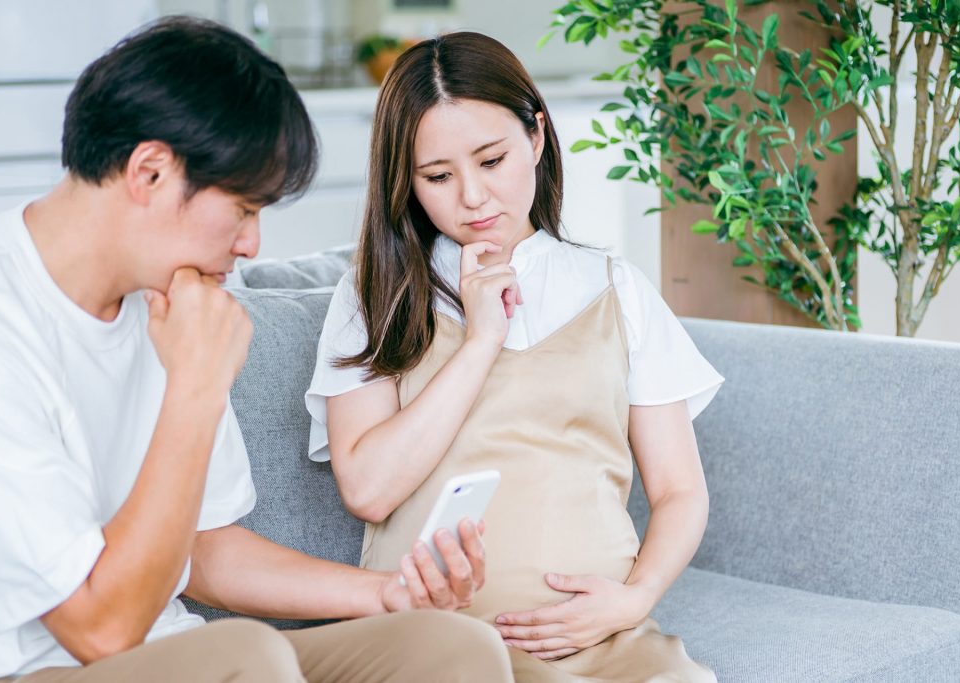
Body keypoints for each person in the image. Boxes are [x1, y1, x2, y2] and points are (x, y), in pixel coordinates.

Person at [0, 18, 514, 683]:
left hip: (182, 657)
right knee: (248, 656)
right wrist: (196, 387)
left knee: (449, 647)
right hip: (49, 668)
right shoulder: (4, 325)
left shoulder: (170, 299)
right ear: (150, 172)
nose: (252, 245)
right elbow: (100, 629)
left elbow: (205, 550)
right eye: (242, 208)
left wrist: (385, 594)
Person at [305, 31, 724, 682]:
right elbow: (367, 488)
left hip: (606, 641)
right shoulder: (374, 296)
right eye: (438, 176)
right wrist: (480, 341)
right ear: (406, 182)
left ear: (536, 136)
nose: (472, 196)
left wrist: (633, 599)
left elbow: (679, 490)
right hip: (439, 646)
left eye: (492, 160)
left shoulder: (616, 290)